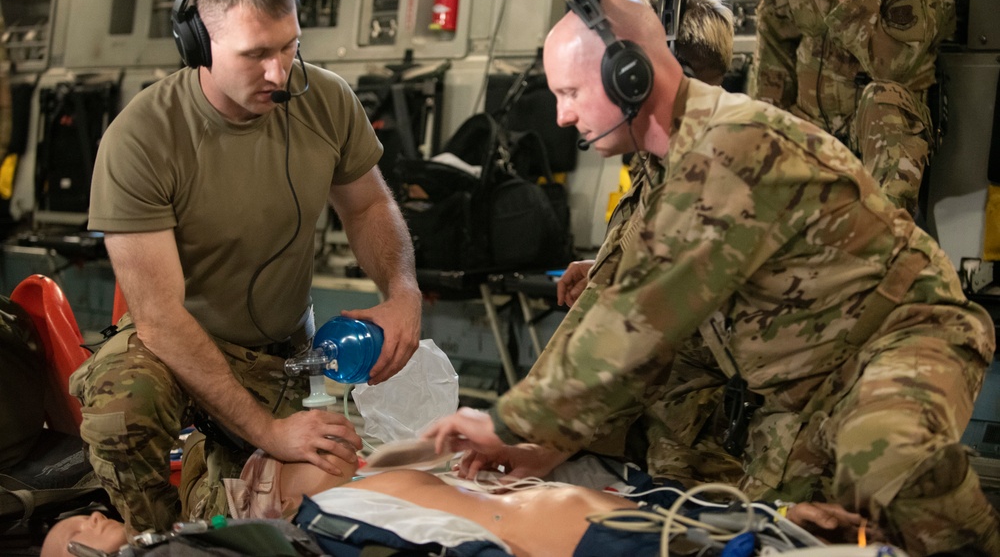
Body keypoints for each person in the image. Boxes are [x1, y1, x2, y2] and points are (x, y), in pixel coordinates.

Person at [423, 0, 1000, 556]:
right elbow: (634, 330)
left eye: (570, 92)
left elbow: (633, 325)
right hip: (803, 390)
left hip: (904, 336)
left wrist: (505, 420)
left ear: (630, 74)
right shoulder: (671, 167)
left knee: (887, 459)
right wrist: (547, 448)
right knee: (783, 534)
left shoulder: (728, 147)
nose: (562, 114)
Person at [68, 0, 422, 536]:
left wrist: (402, 289)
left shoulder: (326, 100)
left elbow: (367, 207)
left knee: (335, 480)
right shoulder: (142, 138)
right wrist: (269, 432)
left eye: (290, 48)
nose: (279, 73)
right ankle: (153, 541)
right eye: (256, 53)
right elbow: (159, 317)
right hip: (177, 345)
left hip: (281, 353)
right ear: (198, 46)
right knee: (121, 412)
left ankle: (213, 500)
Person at [557, 0, 742, 489]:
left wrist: (529, 429)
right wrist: (601, 264)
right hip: (664, 403)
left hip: (696, 422)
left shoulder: (714, 161)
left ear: (637, 76)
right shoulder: (663, 148)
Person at [41, 446, 876, 557]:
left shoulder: (361, 481)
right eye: (81, 530)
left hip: (640, 513)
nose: (93, 519)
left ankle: (774, 525)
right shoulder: (311, 527)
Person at [749, 0, 956, 215]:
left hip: (881, 134)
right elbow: (772, 62)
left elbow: (894, 69)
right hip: (811, 133)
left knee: (883, 96)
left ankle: (883, 236)